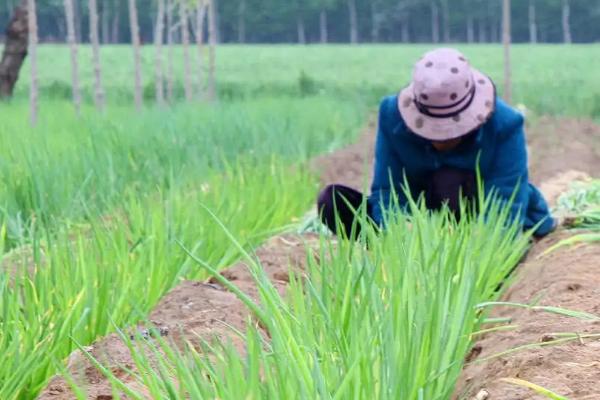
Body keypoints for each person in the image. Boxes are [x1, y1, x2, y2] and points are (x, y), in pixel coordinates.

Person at [317, 48, 556, 239]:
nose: (440, 141)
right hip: (421, 211)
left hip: (479, 212)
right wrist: (402, 231)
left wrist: (474, 244)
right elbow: (388, 189)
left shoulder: (505, 124)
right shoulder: (391, 115)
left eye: (450, 132)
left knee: (449, 182)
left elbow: (505, 200)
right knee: (333, 201)